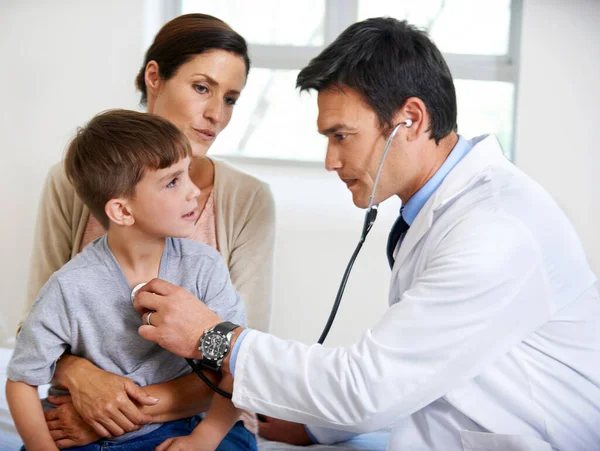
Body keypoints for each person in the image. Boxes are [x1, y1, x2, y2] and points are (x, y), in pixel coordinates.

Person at [131, 17, 600, 451]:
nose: (331, 161)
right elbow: (416, 367)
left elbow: (368, 386)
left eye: (341, 136)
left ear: (410, 120)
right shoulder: (443, 210)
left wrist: (210, 336)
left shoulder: (495, 230)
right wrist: (316, 426)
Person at [20, 13, 273, 448]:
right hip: (80, 410)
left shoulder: (248, 201)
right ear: (154, 77)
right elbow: (36, 330)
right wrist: (85, 386)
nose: (216, 114)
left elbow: (238, 353)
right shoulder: (71, 181)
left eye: (231, 99)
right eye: (201, 88)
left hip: (201, 414)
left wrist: (119, 415)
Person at [8, 110, 251, 451]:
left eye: (188, 175)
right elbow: (21, 380)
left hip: (184, 422)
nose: (194, 191)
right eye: (172, 181)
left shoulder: (204, 269)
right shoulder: (70, 286)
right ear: (121, 211)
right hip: (83, 432)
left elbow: (235, 363)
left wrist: (204, 439)